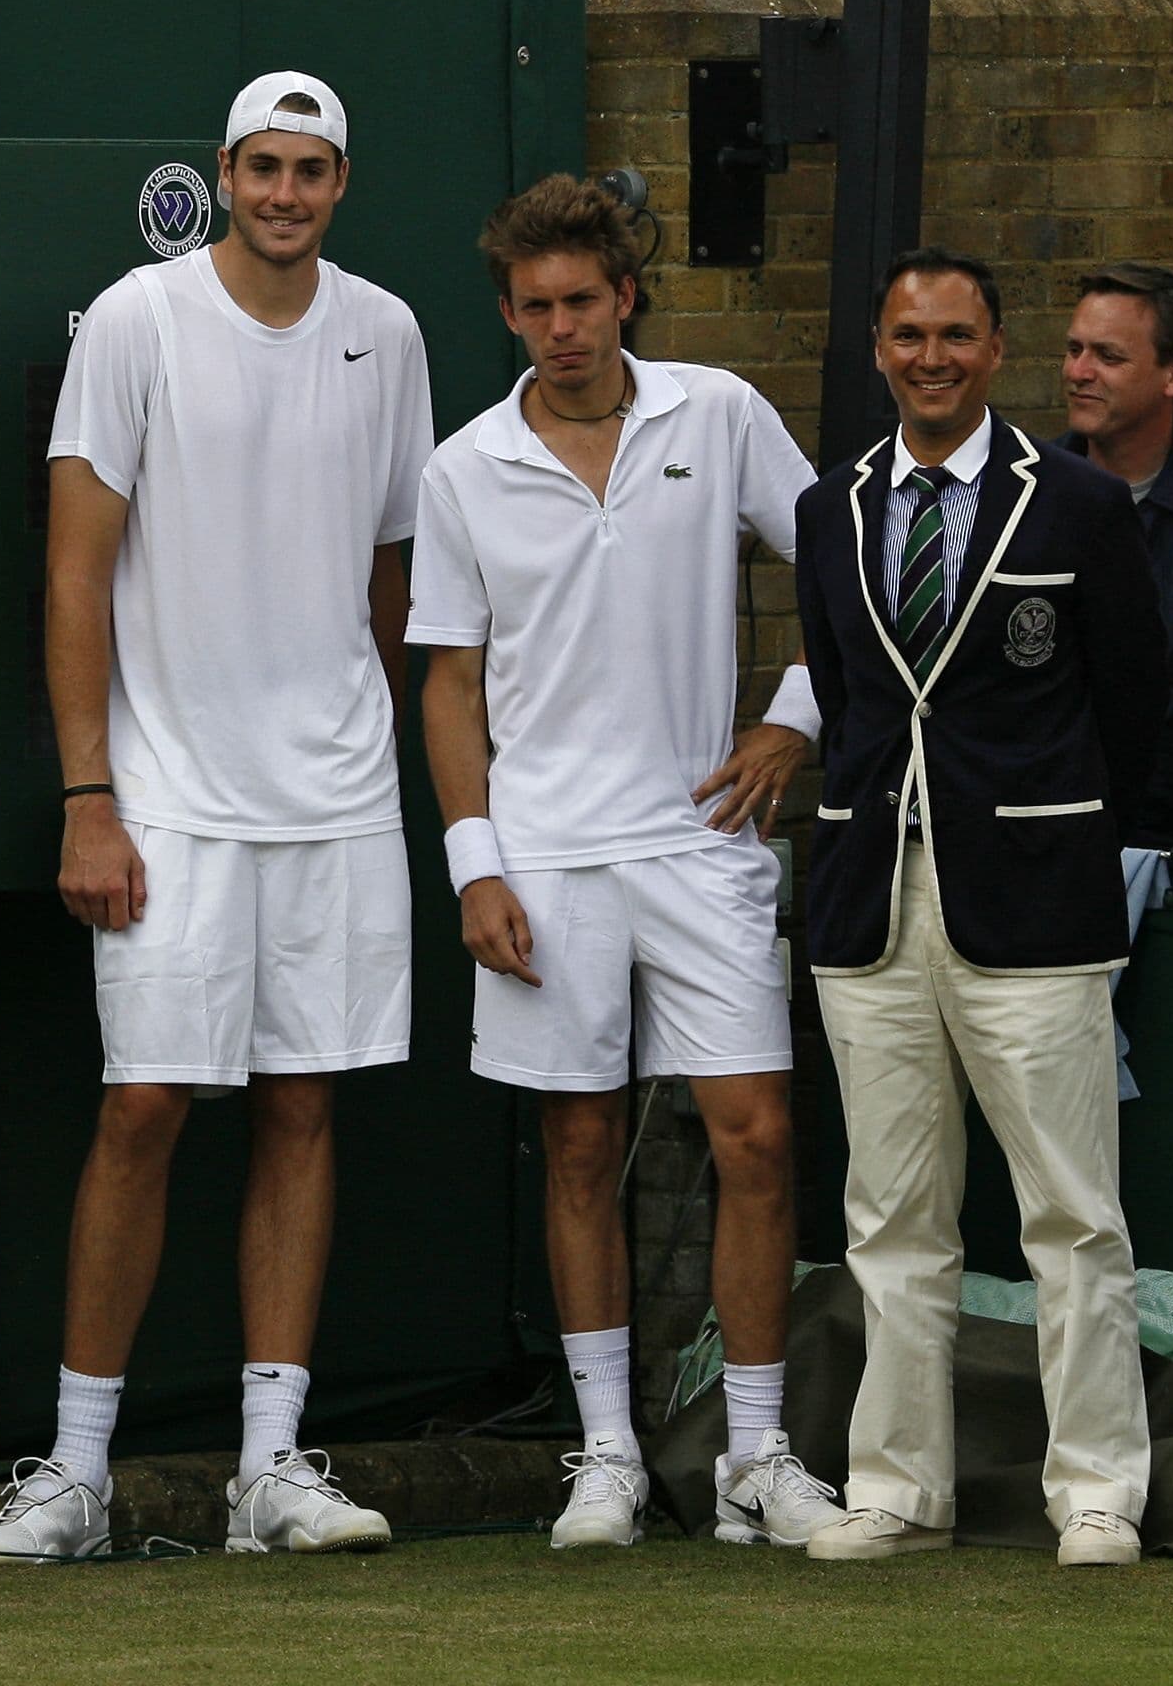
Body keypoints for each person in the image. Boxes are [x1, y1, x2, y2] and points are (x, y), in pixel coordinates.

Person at [0, 70, 431, 1562]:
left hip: (338, 796)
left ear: (340, 185)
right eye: (265, 168)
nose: (287, 194)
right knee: (145, 1105)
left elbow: (392, 568)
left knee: (303, 1104)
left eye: (314, 171)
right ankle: (78, 1475)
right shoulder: (138, 319)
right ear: (224, 173)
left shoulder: (390, 331)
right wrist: (89, 795)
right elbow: (74, 573)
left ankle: (269, 1470)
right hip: (164, 798)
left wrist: (365, 740)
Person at [408, 173, 845, 1550]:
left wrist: (788, 725)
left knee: (758, 1140)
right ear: (510, 313)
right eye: (534, 309)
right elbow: (448, 685)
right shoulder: (466, 466)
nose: (561, 330)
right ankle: (605, 1454)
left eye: (581, 302)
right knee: (580, 1143)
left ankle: (755, 1459)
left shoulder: (715, 414)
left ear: (625, 297)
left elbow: (848, 572)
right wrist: (478, 864)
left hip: (701, 843)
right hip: (543, 858)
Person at [794, 247, 1165, 1567]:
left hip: (1036, 901)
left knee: (1072, 1213)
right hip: (870, 901)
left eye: (956, 335)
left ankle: (1098, 1493)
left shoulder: (1072, 504)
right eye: (908, 335)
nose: (931, 357)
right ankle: (898, 1489)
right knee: (890, 1214)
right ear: (879, 348)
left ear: (993, 347)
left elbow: (1129, 700)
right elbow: (849, 702)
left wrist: (1048, 830)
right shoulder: (829, 504)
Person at [1060, 261, 1173, 1098]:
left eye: (1107, 355)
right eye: (1073, 350)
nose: (1078, 371)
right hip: (1050, 861)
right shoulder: (1023, 496)